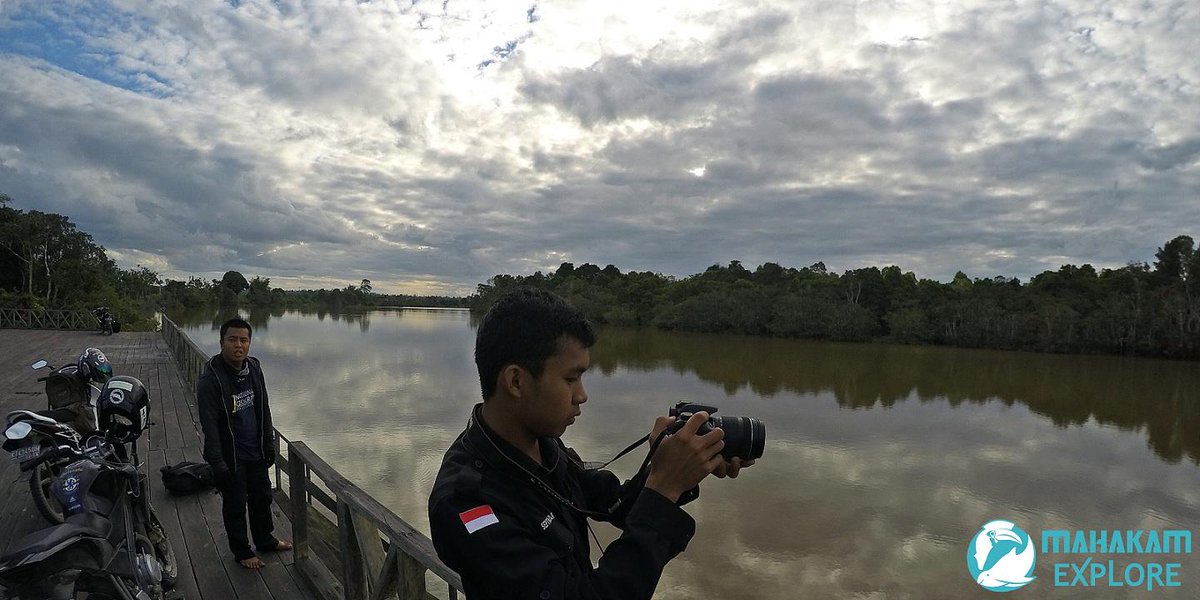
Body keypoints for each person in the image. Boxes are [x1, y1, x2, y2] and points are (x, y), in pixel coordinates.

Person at [428, 288, 752, 599]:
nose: (582, 395)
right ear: (516, 381)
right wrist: (664, 489)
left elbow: (614, 505)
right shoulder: (465, 502)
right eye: (571, 379)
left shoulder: (546, 447)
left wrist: (673, 467)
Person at [197, 317, 292, 569]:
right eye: (232, 340)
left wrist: (269, 444)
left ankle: (265, 539)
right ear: (221, 342)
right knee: (236, 504)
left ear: (249, 343)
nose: (238, 345)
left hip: (256, 449)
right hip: (231, 455)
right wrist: (217, 462)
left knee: (262, 497)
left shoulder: (254, 368)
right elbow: (209, 425)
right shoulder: (211, 380)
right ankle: (241, 551)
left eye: (243, 340)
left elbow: (264, 407)